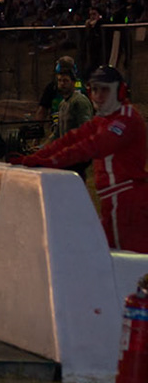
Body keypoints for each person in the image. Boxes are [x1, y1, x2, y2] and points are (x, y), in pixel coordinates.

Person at [10, 64, 148, 251]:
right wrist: (35, 156)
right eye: (95, 89)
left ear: (120, 91)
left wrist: (47, 161)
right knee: (109, 255)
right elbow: (72, 138)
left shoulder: (125, 119)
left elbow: (92, 145)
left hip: (127, 199)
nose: (99, 96)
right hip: (115, 199)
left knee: (127, 260)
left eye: (105, 90)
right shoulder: (105, 118)